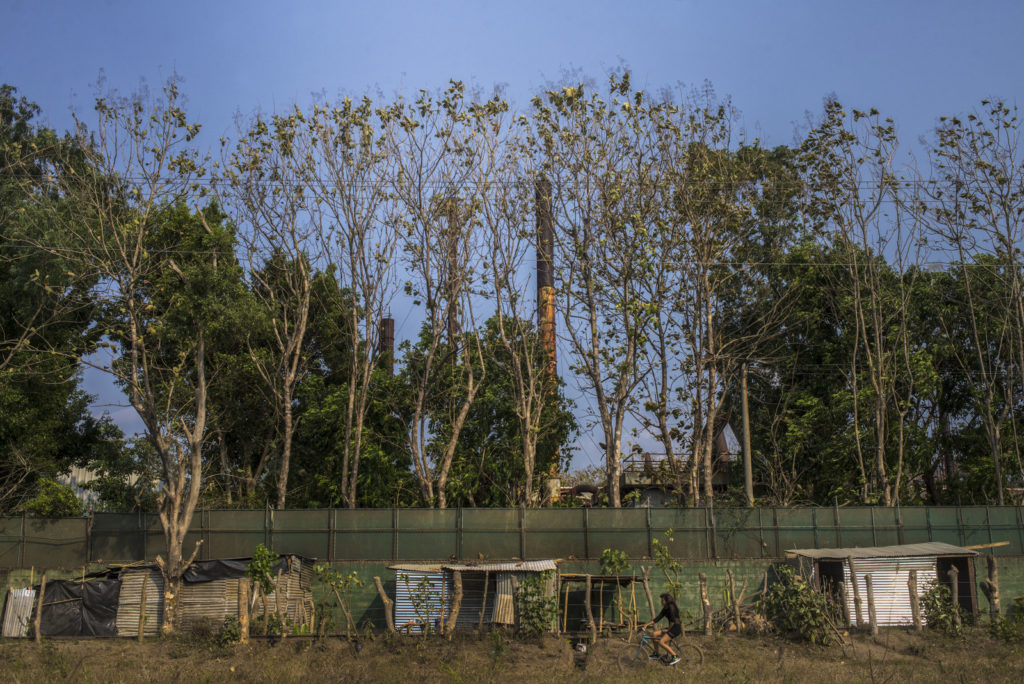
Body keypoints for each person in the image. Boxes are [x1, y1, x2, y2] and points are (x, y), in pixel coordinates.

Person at [643, 593, 682, 665]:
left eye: (662, 600)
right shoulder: (665, 608)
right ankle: (656, 654)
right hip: (671, 627)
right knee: (654, 634)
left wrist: (668, 630)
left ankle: (675, 656)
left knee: (661, 642)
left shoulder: (672, 607)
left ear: (667, 600)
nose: (661, 601)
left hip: (676, 628)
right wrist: (647, 625)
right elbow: (657, 618)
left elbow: (673, 621)